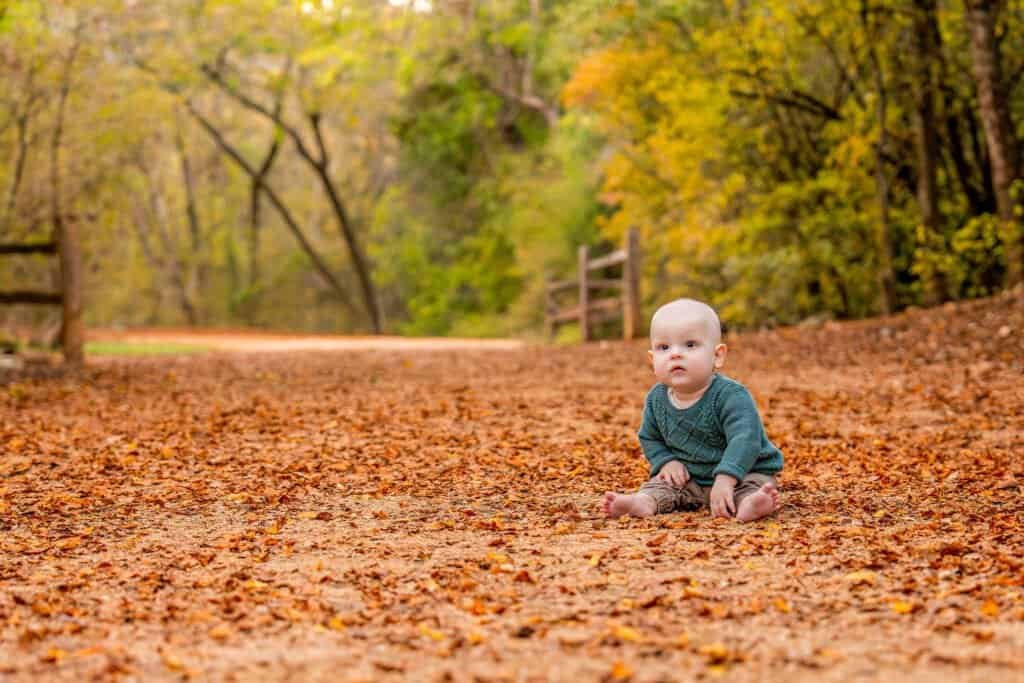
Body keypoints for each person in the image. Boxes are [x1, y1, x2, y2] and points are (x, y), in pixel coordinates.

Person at [603, 298, 783, 522]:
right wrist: (666, 461)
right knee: (663, 484)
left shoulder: (731, 396)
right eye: (664, 347)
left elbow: (745, 440)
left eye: (690, 345)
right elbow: (650, 437)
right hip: (691, 479)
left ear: (717, 356)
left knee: (754, 486)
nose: (675, 354)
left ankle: (752, 504)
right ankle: (643, 501)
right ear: (652, 359)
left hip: (744, 472)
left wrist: (726, 478)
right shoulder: (656, 399)